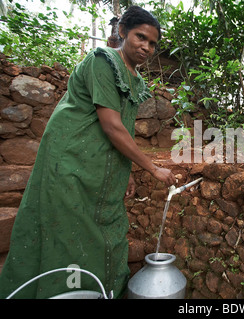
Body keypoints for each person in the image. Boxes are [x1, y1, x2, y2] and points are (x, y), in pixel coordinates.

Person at [0, 6, 176, 299]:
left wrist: (128, 169)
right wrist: (153, 168)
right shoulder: (102, 61)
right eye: (140, 37)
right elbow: (111, 125)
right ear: (122, 32)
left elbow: (125, 127)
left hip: (99, 164)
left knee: (104, 230)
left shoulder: (136, 78)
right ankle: (58, 292)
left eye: (152, 43)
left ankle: (100, 290)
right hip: (70, 156)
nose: (146, 46)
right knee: (68, 231)